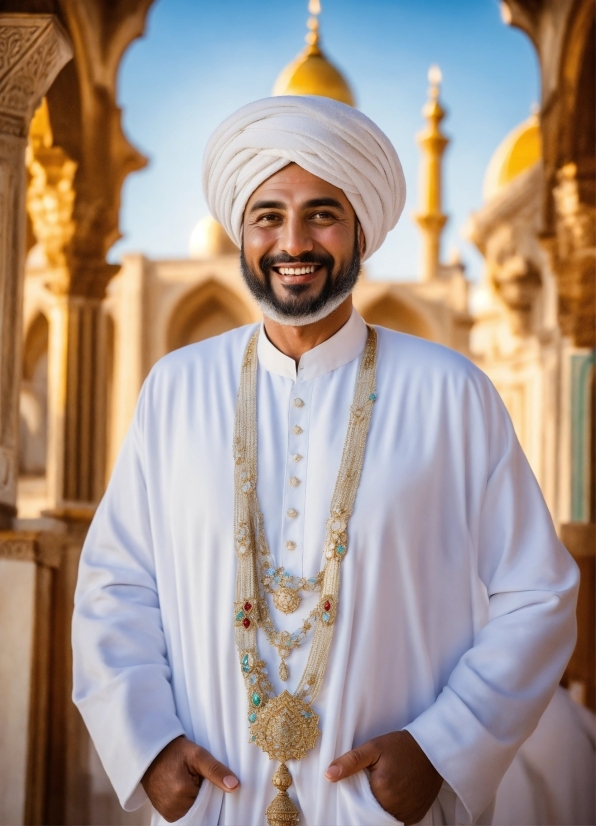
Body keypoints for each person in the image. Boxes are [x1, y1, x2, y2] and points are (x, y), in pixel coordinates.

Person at [72, 96, 579, 826]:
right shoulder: (175, 390)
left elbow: (538, 592)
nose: (293, 242)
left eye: (322, 213)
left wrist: (442, 748)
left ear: (362, 228)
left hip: (382, 805)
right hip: (213, 801)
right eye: (268, 216)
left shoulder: (449, 392)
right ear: (241, 235)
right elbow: (116, 585)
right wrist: (146, 744)